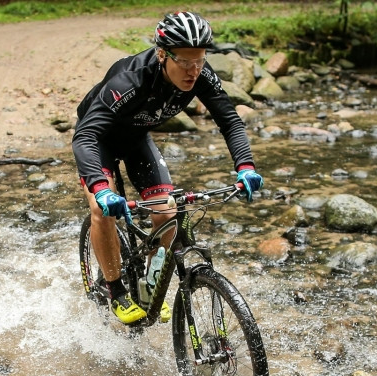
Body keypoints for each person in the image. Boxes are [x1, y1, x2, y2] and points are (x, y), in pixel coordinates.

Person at [72, 11, 263, 324]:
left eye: (200, 60)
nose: (194, 70)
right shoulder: (131, 80)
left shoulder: (200, 73)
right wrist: (100, 187)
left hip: (136, 138)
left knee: (166, 210)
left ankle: (150, 288)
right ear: (162, 54)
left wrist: (246, 166)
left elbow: (229, 119)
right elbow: (87, 136)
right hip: (99, 141)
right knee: (101, 209)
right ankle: (116, 290)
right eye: (185, 62)